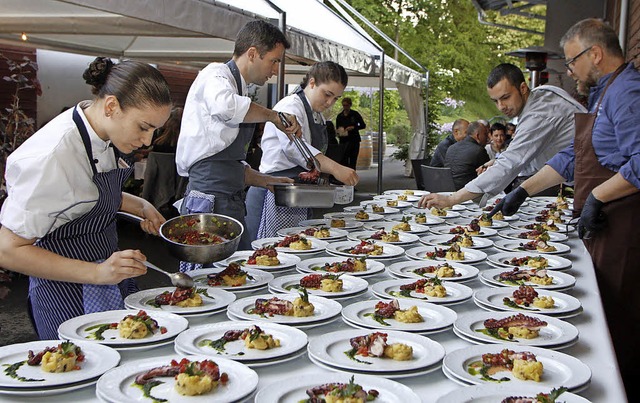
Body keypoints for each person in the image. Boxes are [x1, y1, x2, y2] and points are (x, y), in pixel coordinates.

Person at [490, 18, 640, 400]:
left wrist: (597, 197)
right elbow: (574, 156)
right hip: (605, 216)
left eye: (572, 61)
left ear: (595, 54)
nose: (569, 69)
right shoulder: (603, 92)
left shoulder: (627, 92)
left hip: (625, 220)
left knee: (616, 317)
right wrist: (522, 190)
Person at [0, 57, 172, 339]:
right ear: (111, 106)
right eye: (143, 127)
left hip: (110, 274)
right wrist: (97, 273)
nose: (147, 141)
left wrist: (140, 204)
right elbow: (8, 249)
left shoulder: (104, 131)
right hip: (64, 291)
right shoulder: (52, 157)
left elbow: (87, 194)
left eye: (155, 130)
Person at [175, 20, 301, 256]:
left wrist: (265, 180)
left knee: (237, 274)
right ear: (252, 53)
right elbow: (226, 108)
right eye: (274, 61)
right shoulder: (215, 74)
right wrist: (273, 116)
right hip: (211, 203)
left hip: (229, 200)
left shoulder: (237, 88)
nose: (275, 71)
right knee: (212, 281)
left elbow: (226, 162)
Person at [418, 63, 585, 209]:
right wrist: (497, 160)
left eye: (505, 98)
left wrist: (452, 199)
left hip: (590, 181)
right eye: (495, 101)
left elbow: (511, 163)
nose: (501, 107)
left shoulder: (539, 115)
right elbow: (525, 152)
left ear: (523, 88)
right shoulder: (544, 92)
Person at [245, 61, 359, 239]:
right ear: (312, 83)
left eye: (335, 98)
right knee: (268, 250)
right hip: (274, 191)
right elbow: (295, 148)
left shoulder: (317, 115)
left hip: (297, 193)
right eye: (327, 95)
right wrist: (336, 168)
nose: (330, 102)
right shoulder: (289, 106)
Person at [444, 121, 490, 190]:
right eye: (485, 134)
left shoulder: (451, 148)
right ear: (477, 136)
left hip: (446, 190)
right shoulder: (479, 151)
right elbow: (489, 175)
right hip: (467, 193)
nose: (488, 138)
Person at [335, 97, 366, 170]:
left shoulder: (355, 114)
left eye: (347, 105)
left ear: (350, 105)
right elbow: (337, 127)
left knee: (353, 160)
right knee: (344, 160)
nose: (345, 107)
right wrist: (339, 131)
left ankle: (352, 176)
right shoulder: (340, 116)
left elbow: (363, 125)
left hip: (354, 140)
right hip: (343, 140)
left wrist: (354, 127)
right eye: (344, 105)